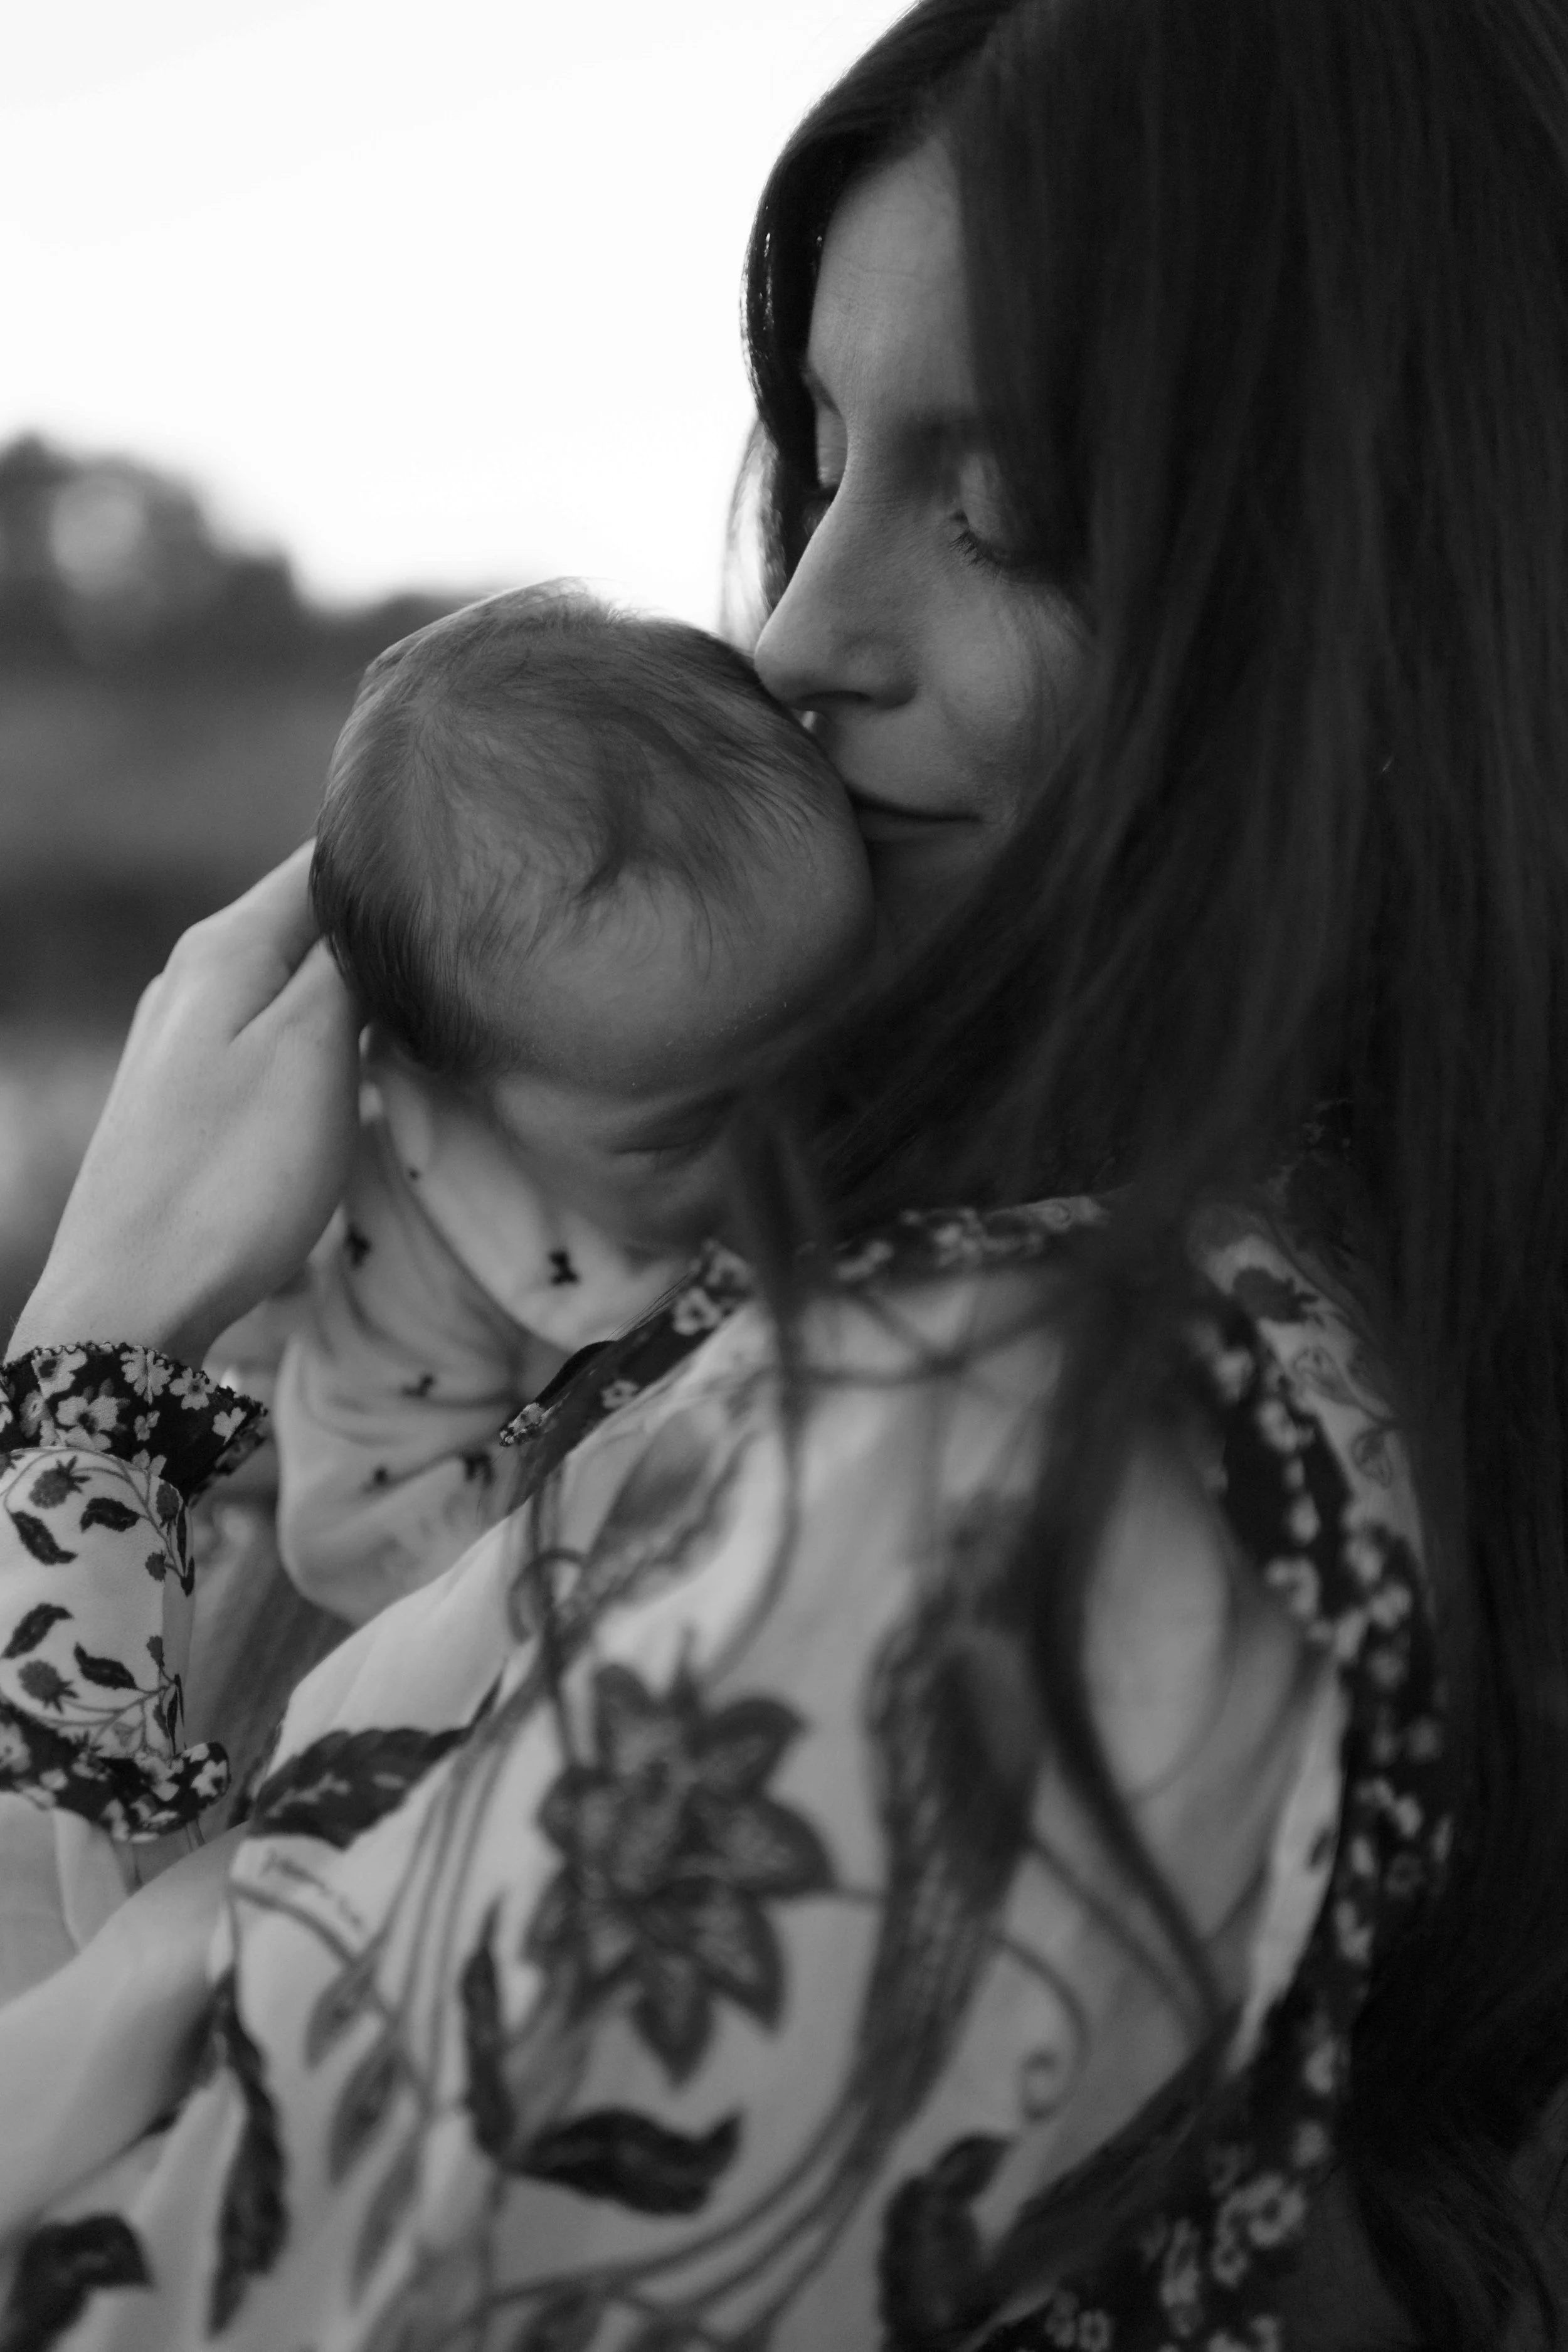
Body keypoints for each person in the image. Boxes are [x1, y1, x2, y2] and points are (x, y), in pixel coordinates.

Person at [0, 7, 1562, 2351]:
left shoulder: (1024, 1468)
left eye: (1002, 505)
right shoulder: (1079, 1307)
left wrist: (94, 1359)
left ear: (1394, 592)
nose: (806, 626)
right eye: (822, 458)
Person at [272, 583, 873, 1624]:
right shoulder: (423, 1239)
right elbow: (360, 1525)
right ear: (453, 1093)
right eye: (695, 1126)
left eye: (837, 1053)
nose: (795, 1134)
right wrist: (607, 1528)